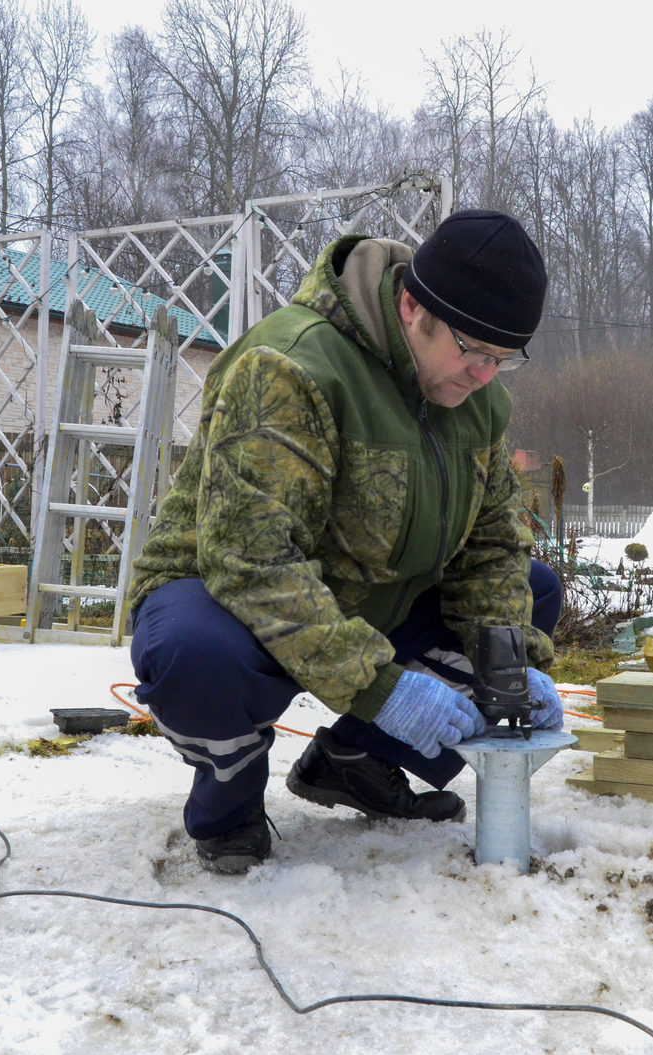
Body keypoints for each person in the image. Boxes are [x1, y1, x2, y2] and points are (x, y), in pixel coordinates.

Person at [126, 209, 565, 874]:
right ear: (413, 306)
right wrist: (382, 689)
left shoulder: (477, 402)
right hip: (231, 600)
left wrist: (510, 664)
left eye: (504, 360)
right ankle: (229, 804)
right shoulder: (291, 366)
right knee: (195, 653)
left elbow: (492, 547)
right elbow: (252, 562)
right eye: (473, 351)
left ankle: (356, 761)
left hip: (370, 594)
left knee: (531, 596)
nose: (485, 376)